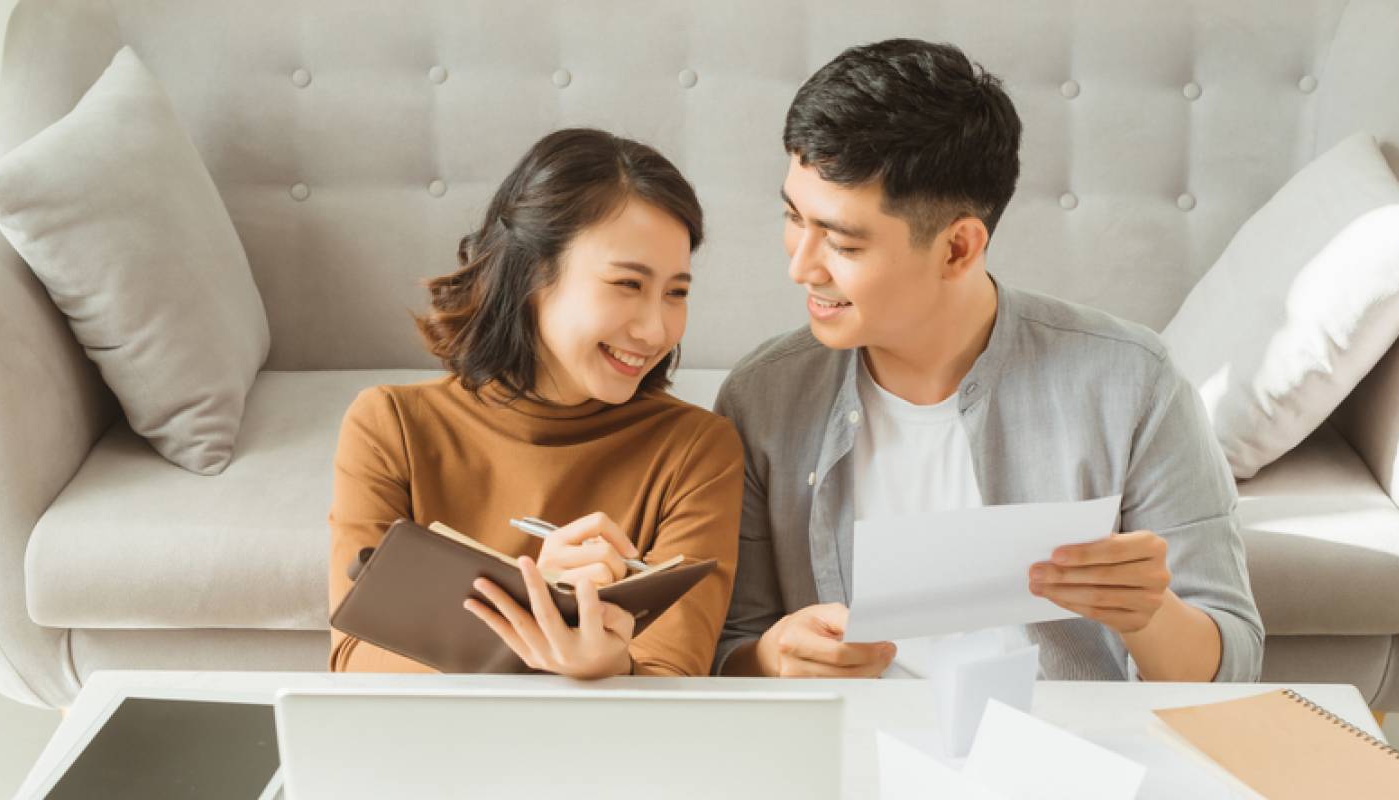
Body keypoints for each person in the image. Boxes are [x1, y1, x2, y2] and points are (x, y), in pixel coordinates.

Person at [714, 40, 1264, 682]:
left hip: (1064, 761)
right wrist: (771, 656)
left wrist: (1148, 615)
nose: (800, 265)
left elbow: (1235, 664)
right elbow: (728, 646)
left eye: (841, 243)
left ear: (957, 249)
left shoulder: (1132, 382)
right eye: (792, 218)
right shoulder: (764, 398)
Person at [328, 128, 743, 679]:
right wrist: (532, 616)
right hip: (435, 753)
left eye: (677, 292)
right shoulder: (391, 425)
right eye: (627, 284)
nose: (655, 328)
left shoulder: (696, 450)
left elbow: (673, 677)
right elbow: (354, 661)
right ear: (531, 277)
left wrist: (609, 667)